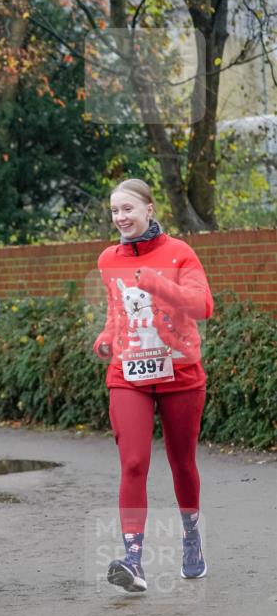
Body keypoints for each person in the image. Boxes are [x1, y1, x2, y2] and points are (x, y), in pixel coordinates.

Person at [93, 178, 214, 594]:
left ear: (149, 208)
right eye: (115, 211)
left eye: (128, 209)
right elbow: (116, 310)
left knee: (182, 463)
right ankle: (133, 559)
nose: (121, 218)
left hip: (181, 375)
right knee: (132, 463)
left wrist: (157, 283)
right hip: (129, 377)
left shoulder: (180, 253)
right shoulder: (108, 259)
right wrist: (107, 336)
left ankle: (192, 535)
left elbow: (203, 306)